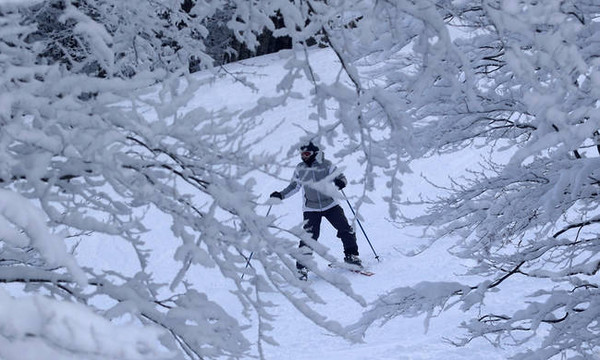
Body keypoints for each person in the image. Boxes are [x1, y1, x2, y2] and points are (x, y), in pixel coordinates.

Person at [270, 141, 361, 280]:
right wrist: (281, 195)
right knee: (309, 238)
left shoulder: (326, 165)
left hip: (331, 204)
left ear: (314, 153)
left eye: (306, 154)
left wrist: (341, 182)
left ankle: (351, 255)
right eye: (302, 154)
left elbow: (340, 177)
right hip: (311, 208)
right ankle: (302, 268)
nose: (304, 157)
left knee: (345, 229)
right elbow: (294, 186)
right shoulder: (300, 168)